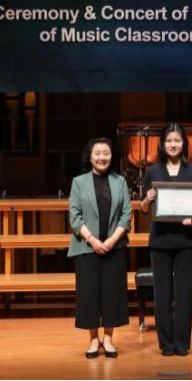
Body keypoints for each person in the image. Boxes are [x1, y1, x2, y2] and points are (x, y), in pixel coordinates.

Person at [139, 123, 192, 357]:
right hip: (160, 240)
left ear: (183, 143)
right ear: (162, 144)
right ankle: (166, 343)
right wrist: (147, 198)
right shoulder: (152, 172)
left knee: (184, 294)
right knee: (162, 294)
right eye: (169, 141)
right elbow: (144, 208)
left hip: (186, 240)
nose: (173, 144)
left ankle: (182, 343)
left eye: (177, 140)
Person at [68, 137, 132, 359]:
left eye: (106, 153)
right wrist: (93, 240)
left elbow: (126, 215)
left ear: (111, 156)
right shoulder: (78, 182)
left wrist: (111, 241)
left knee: (113, 294)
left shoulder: (120, 182)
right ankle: (94, 339)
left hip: (115, 246)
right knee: (89, 295)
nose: (102, 157)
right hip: (87, 247)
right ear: (90, 156)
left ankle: (109, 338)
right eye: (98, 153)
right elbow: (75, 217)